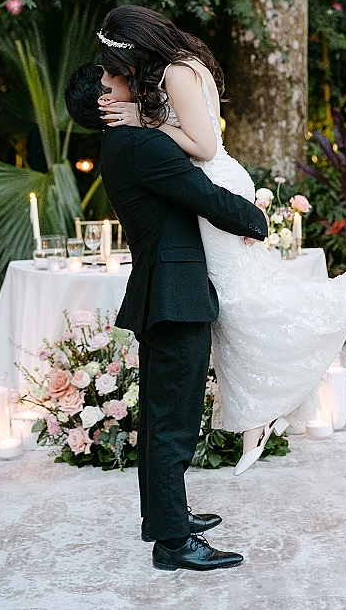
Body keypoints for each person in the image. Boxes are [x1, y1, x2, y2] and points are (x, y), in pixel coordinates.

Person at [96, 5, 346, 476]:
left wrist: (141, 119)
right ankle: (257, 413)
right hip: (203, 183)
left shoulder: (176, 70)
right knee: (232, 305)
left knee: (236, 298)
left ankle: (345, 297)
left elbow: (205, 145)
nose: (118, 77)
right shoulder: (172, 69)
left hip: (211, 179)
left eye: (120, 65)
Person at [65, 63, 268, 571]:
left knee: (161, 417)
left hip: (162, 289)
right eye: (114, 82)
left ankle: (161, 519)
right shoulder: (141, 146)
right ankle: (174, 544)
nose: (128, 81)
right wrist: (257, 218)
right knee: (173, 422)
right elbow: (204, 197)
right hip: (176, 294)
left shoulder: (121, 145)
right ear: (104, 101)